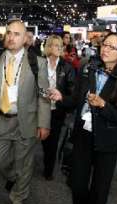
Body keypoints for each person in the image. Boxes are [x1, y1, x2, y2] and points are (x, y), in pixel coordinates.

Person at [53, 32, 117, 204]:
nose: (105, 49)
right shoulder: (89, 69)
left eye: (112, 47)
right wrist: (61, 98)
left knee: (100, 190)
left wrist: (102, 105)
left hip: (107, 142)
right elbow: (75, 100)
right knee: (77, 183)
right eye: (104, 44)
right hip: (82, 136)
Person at [0, 19, 50, 204]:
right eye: (9, 33)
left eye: (17, 34)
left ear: (25, 38)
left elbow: (44, 95)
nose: (11, 37)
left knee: (24, 163)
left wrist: (44, 123)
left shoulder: (38, 63)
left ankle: (18, 199)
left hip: (26, 121)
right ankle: (14, 178)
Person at [40, 35, 74, 180]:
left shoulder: (67, 67)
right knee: (44, 139)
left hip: (57, 110)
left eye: (60, 46)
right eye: (54, 45)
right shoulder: (40, 64)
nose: (58, 48)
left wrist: (61, 96)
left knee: (53, 141)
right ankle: (47, 159)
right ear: (48, 47)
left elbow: (72, 91)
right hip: (41, 108)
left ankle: (49, 169)